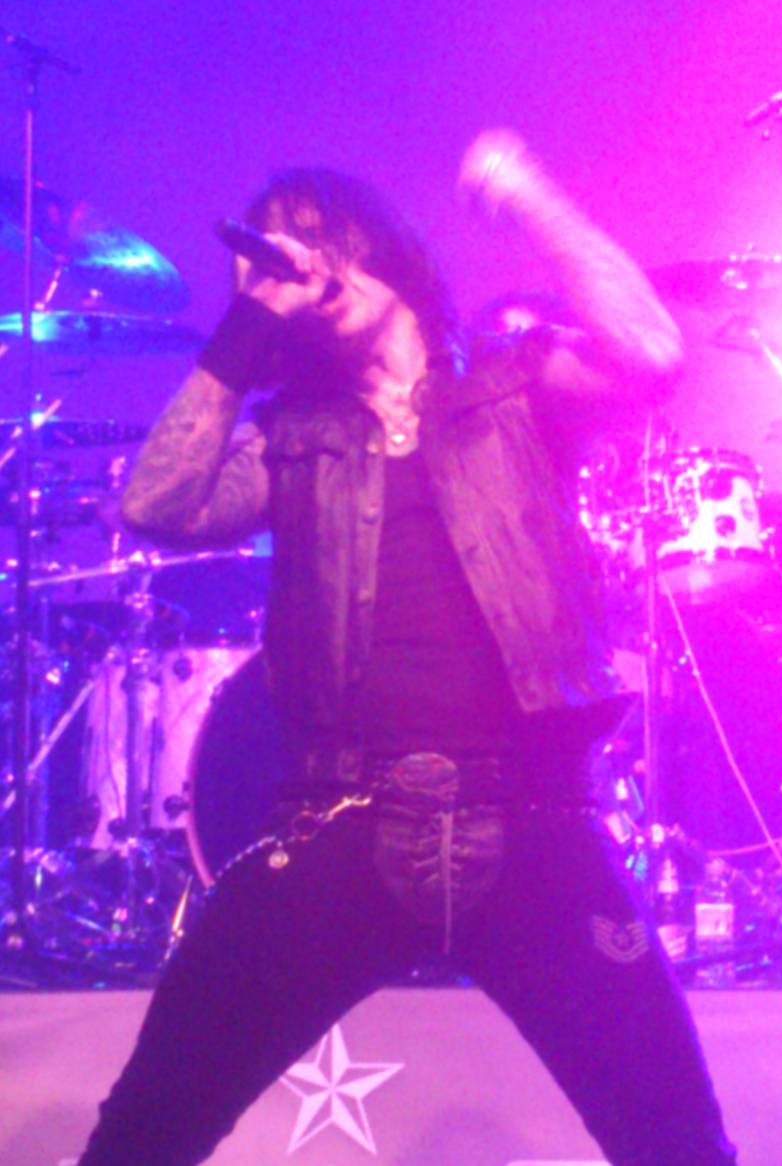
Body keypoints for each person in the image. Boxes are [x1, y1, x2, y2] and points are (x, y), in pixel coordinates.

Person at [77, 130, 737, 1166]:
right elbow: (157, 505)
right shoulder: (293, 438)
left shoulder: (515, 390)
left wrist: (526, 194)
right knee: (142, 1136)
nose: (303, 257)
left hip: (535, 826)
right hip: (339, 822)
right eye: (281, 244)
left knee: (678, 1145)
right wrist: (251, 318)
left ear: (382, 247)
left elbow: (651, 355)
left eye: (320, 235)